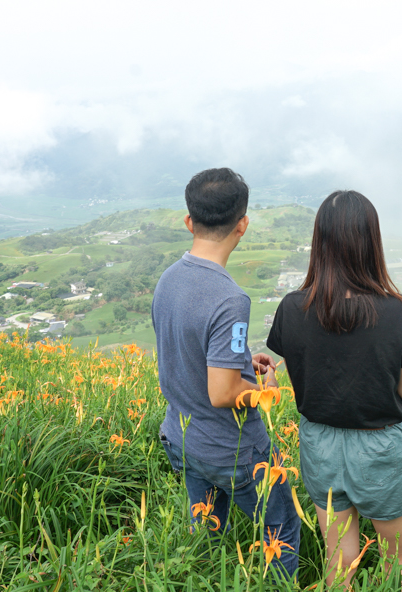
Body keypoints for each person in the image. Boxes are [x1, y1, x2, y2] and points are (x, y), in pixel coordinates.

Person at [267, 190, 402, 588]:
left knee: (338, 557)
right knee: (399, 558)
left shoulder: (292, 307)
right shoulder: (398, 308)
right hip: (380, 447)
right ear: (370, 242)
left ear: (319, 242)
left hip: (319, 444)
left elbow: (296, 372)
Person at [152, 168, 300, 578]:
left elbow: (188, 350)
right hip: (233, 451)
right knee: (280, 528)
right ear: (243, 225)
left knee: (208, 536)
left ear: (188, 222)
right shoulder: (230, 299)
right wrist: (263, 387)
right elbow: (222, 393)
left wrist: (239, 362)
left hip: (182, 439)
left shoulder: (168, 280)